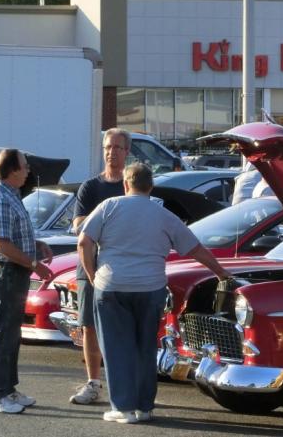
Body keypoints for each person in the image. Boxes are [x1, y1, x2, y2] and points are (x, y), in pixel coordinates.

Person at [78, 162, 230, 424]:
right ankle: (145, 406)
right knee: (146, 347)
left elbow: (84, 241)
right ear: (151, 187)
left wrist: (92, 275)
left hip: (112, 286)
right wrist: (221, 273)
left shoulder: (108, 206)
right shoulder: (164, 215)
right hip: (150, 287)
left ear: (126, 184)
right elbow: (195, 248)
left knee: (116, 348)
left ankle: (123, 407)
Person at [0, 149, 53, 414]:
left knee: (11, 334)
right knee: (2, 335)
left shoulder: (11, 194)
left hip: (14, 273)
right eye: (24, 166)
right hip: (7, 273)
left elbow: (12, 237)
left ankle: (7, 389)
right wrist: (34, 264)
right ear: (12, 170)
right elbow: (2, 245)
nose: (28, 170)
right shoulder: (1, 198)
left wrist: (36, 244)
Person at [69, 128, 130, 405]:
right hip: (89, 267)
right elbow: (78, 225)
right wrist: (106, 219)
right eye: (107, 147)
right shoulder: (90, 187)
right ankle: (93, 383)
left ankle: (124, 384)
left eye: (117, 147)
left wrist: (100, 226)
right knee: (89, 327)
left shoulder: (130, 187)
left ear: (127, 151)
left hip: (123, 269)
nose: (111, 152)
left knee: (121, 327)